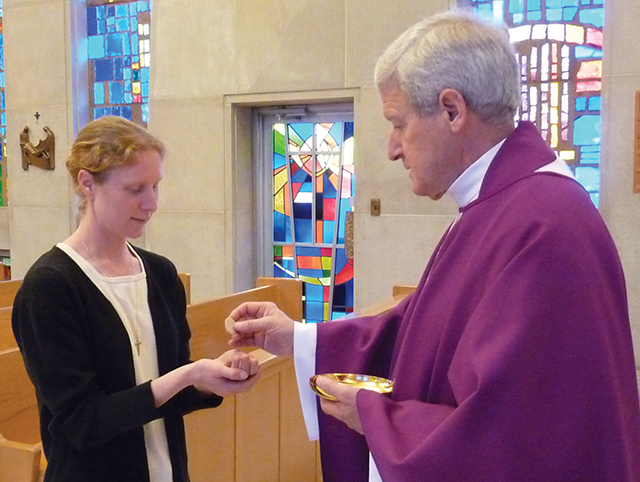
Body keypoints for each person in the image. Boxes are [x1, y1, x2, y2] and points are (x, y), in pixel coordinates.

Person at [227, 10, 640, 482]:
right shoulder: (501, 206)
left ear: (452, 110)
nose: (392, 148)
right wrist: (301, 340)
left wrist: (376, 418)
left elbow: (521, 438)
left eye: (398, 123)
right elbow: (425, 330)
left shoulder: (541, 223)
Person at [12, 116, 261, 482]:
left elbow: (168, 387)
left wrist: (210, 379)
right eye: (135, 189)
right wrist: (188, 374)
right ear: (87, 184)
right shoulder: (50, 286)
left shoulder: (160, 274)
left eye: (156, 186)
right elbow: (83, 423)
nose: (151, 203)